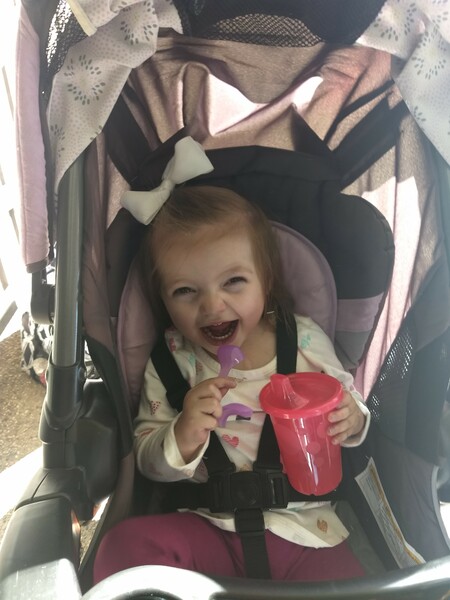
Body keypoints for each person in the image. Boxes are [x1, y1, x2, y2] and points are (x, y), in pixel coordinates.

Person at [93, 183, 370, 584]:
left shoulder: (303, 340)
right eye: (185, 291)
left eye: (234, 281)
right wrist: (181, 435)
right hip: (207, 529)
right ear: (162, 299)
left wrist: (352, 417)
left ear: (266, 280)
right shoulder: (172, 359)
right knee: (122, 548)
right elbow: (146, 458)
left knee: (360, 588)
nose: (211, 305)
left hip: (306, 531)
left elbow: (347, 397)